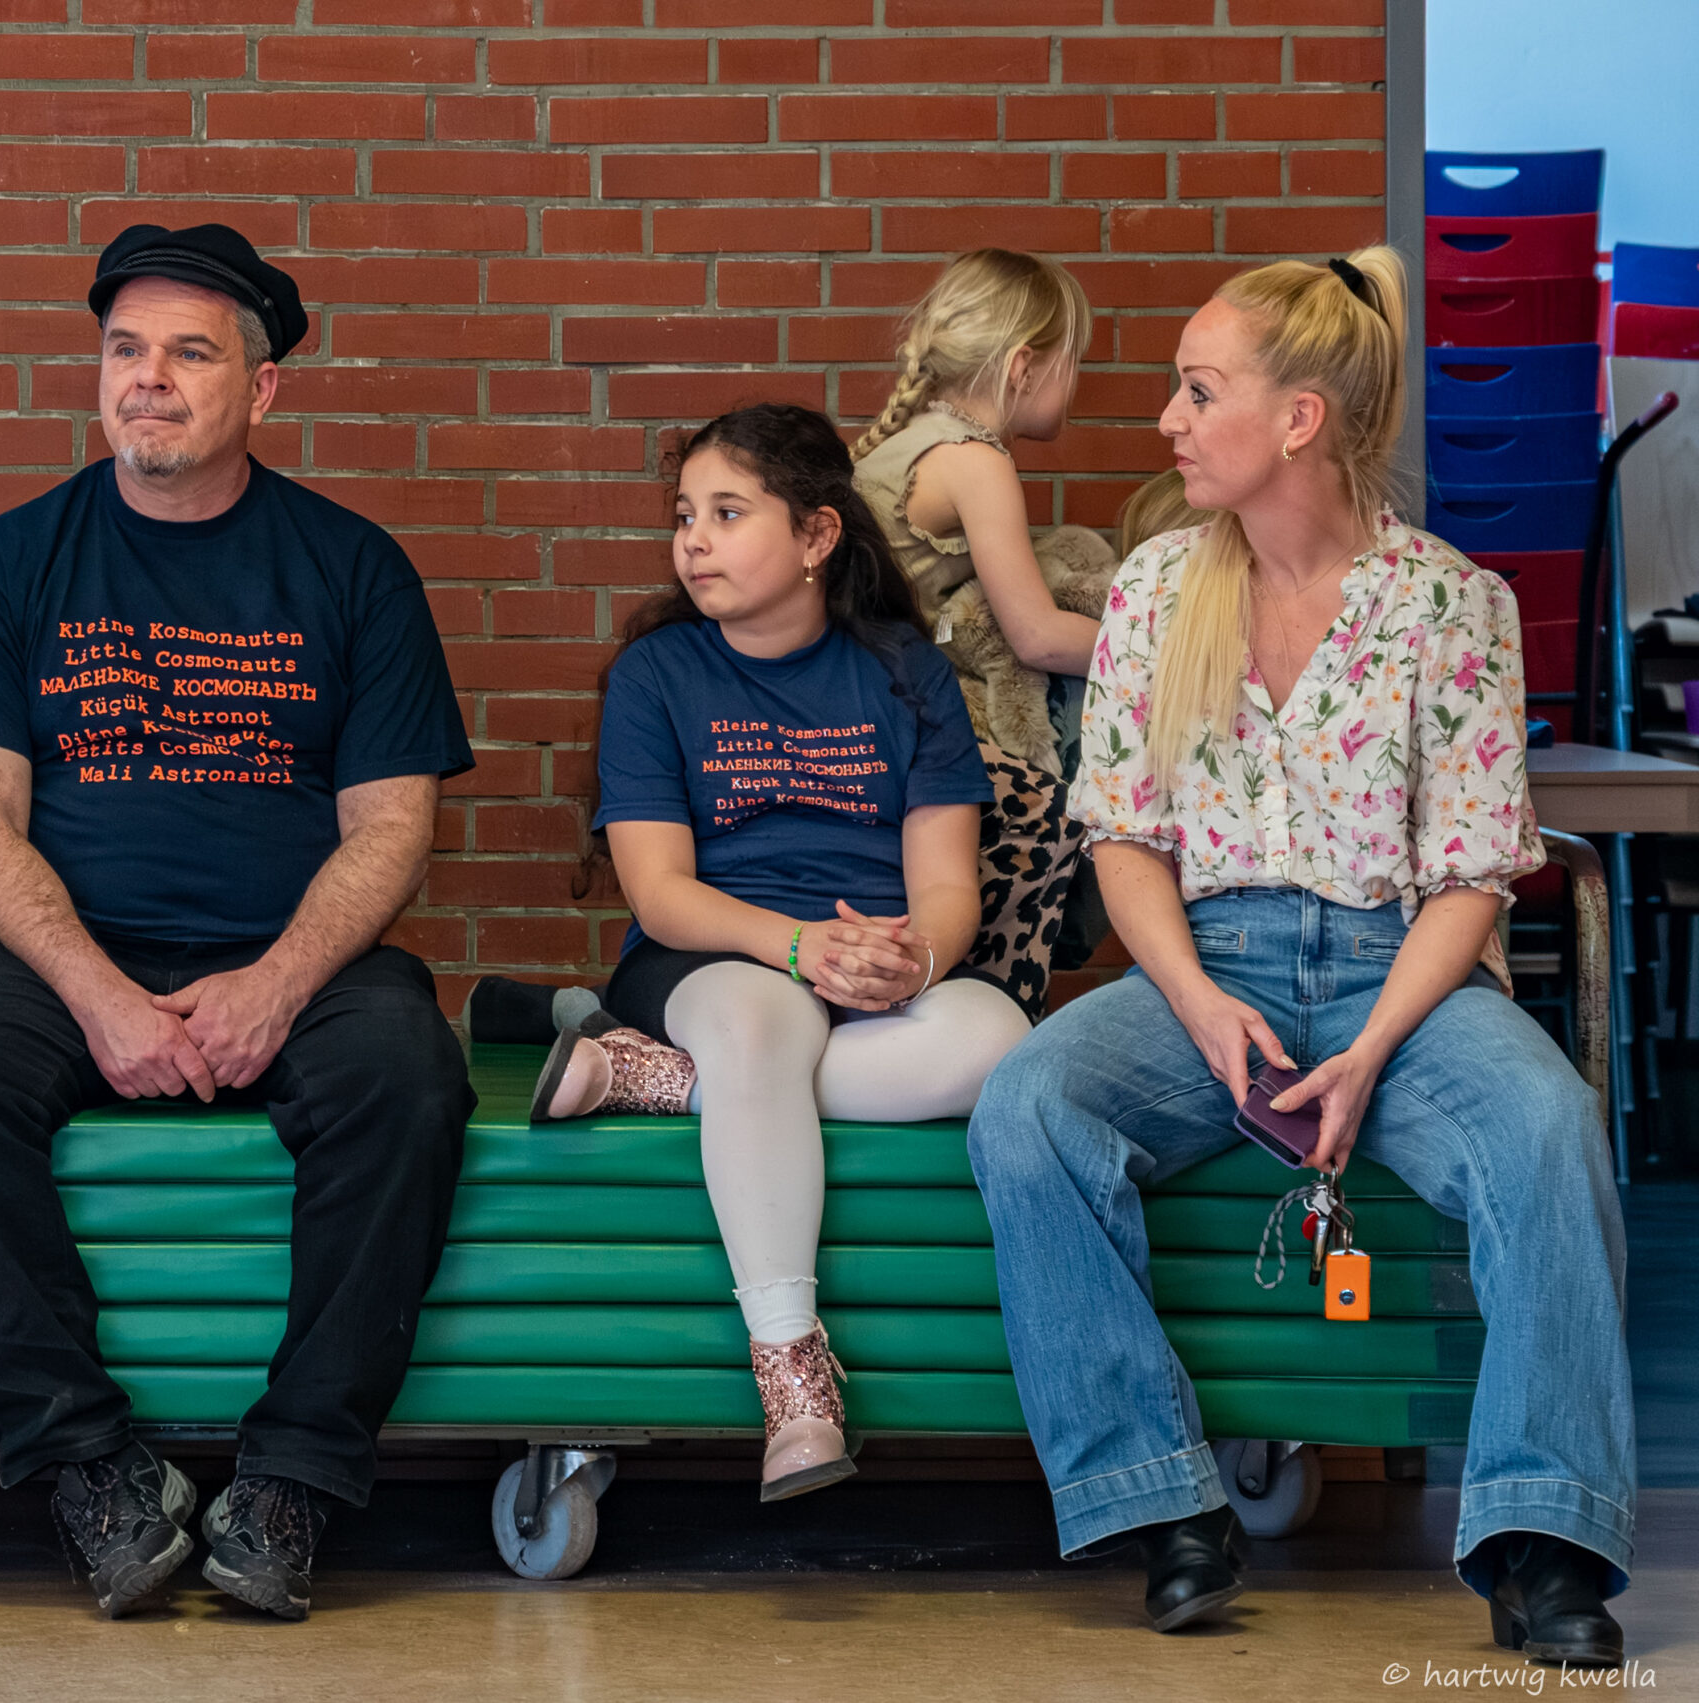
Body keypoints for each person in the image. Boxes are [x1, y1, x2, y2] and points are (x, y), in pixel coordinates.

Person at [967, 248, 1635, 1666]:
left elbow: (1471, 875)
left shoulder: (1451, 604)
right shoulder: (1156, 590)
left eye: (1198, 391)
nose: (1168, 418)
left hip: (1409, 972)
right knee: (1026, 1105)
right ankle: (1161, 1500)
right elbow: (1124, 839)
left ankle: (1545, 1540)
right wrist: (1201, 1006)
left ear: (1299, 419)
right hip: (1203, 959)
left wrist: (1372, 1048)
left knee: (1548, 1124)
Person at [0, 224, 476, 1623]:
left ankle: (295, 1475)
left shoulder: (354, 567)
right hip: (65, 954)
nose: (147, 377)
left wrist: (277, 980)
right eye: (125, 348)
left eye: (189, 352)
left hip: (292, 952)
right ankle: (90, 1464)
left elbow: (392, 826)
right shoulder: (12, 562)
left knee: (408, 1075)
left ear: (260, 389)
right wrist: (99, 993)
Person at [529, 404, 1031, 1501]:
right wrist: (798, 949)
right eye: (683, 516)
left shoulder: (905, 672)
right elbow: (661, 894)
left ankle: (660, 1081)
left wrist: (916, 961)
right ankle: (792, 1371)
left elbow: (949, 885)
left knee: (1000, 1040)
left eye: (726, 513)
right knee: (764, 1022)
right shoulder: (658, 674)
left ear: (816, 535)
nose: (693, 541)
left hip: (867, 962)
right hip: (714, 955)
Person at [851, 249, 1106, 1016]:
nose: (1078, 381)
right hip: (908, 719)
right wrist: (1168, 651)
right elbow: (1038, 636)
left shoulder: (911, 439)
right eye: (1073, 361)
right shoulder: (973, 460)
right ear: (1023, 365)